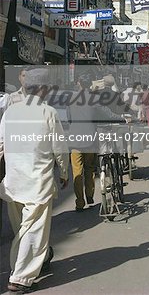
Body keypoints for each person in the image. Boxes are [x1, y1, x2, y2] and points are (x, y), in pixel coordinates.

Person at [0, 68, 69, 293]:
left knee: (23, 228)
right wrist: (64, 172)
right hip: (36, 183)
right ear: (43, 89)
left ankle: (38, 258)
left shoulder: (10, 112)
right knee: (32, 230)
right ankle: (19, 278)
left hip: (13, 182)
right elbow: (59, 148)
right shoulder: (48, 112)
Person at [69, 74, 98, 212]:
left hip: (75, 141)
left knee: (77, 172)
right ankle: (90, 195)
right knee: (89, 168)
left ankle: (79, 202)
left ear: (79, 83)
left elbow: (69, 118)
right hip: (90, 139)